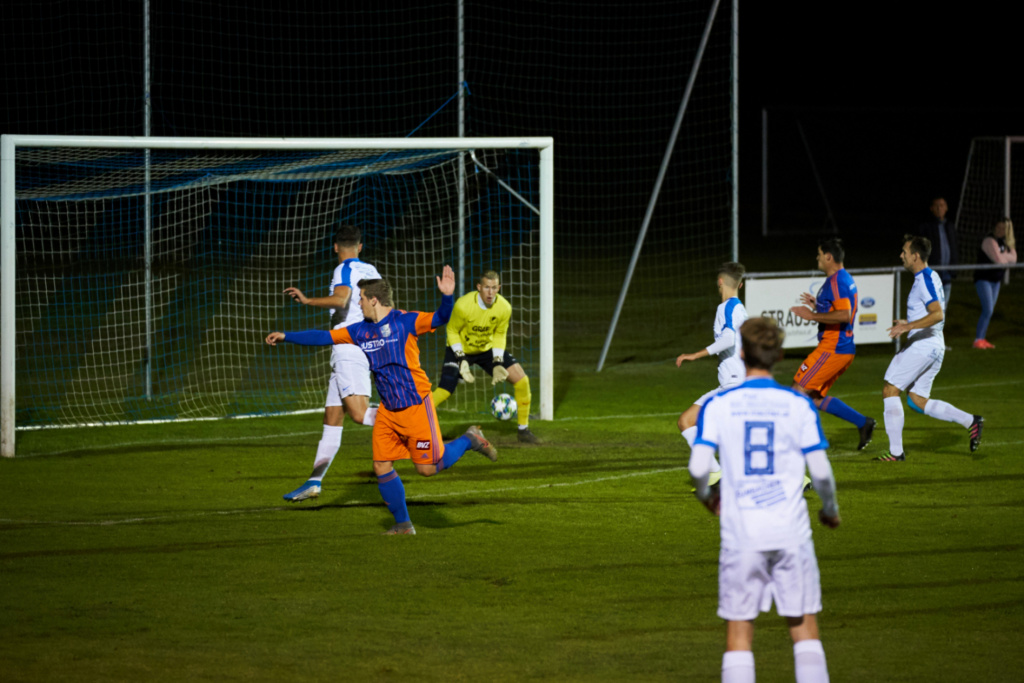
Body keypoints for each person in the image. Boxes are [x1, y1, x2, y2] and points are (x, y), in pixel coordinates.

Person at [266, 266, 498, 535]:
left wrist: (447, 296)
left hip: (415, 406)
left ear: (374, 300)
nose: (359, 304)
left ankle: (470, 439)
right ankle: (403, 525)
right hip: (388, 411)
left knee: (427, 469)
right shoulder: (360, 331)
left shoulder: (405, 322)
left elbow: (441, 317)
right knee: (381, 465)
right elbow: (324, 337)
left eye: (361, 299)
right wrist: (287, 336)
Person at [690, 317, 840, 683]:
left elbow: (698, 466)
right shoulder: (798, 404)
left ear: (741, 354)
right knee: (804, 629)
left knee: (739, 634)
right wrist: (829, 510)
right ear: (780, 356)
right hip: (791, 532)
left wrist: (708, 496)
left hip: (742, 533)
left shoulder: (720, 403)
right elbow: (821, 472)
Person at [278, 226, 382, 502]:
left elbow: (341, 298)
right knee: (332, 419)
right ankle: (314, 481)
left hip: (349, 348)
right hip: (360, 345)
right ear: (360, 246)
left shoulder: (343, 269)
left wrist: (307, 299)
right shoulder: (372, 270)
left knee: (360, 414)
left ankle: (412, 421)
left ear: (335, 247)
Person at [876, 235, 984, 462]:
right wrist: (910, 321)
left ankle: (896, 453)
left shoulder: (924, 279)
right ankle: (970, 421)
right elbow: (931, 312)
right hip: (935, 346)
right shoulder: (931, 276)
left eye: (905, 252)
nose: (901, 255)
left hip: (923, 346)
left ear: (915, 256)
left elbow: (937, 313)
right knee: (916, 399)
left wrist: (909, 326)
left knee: (890, 390)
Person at [431, 270, 541, 444]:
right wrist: (461, 359)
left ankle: (523, 430)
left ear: (499, 288)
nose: (490, 292)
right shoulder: (463, 305)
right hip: (460, 348)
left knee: (522, 380)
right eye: (487, 287)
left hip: (486, 350)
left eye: (494, 288)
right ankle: (416, 425)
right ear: (479, 287)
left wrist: (497, 362)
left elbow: (499, 335)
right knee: (445, 389)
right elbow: (451, 331)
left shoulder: (504, 307)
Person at [788, 237, 876, 451]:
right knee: (815, 398)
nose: (817, 258)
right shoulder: (842, 279)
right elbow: (839, 309)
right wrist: (818, 305)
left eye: (819, 254)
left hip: (833, 348)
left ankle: (793, 442)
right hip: (840, 347)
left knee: (797, 391)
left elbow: (844, 314)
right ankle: (863, 423)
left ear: (828, 257)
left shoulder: (837, 281)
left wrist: (812, 315)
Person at [675, 262, 749, 486]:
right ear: (740, 284)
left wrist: (695, 355)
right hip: (738, 381)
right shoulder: (740, 309)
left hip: (733, 383)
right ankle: (716, 473)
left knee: (687, 421)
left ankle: (716, 473)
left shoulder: (726, 308)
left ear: (720, 282)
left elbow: (728, 339)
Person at [972, 217, 1017, 349]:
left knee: (989, 311)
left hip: (996, 281)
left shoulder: (1006, 243)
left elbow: (1014, 260)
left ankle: (981, 338)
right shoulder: (989, 240)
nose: (1000, 230)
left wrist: (1005, 258)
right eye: (998, 227)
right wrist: (1006, 258)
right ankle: (978, 340)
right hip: (983, 279)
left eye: (1003, 228)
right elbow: (998, 260)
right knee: (988, 309)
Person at [916, 197, 958, 310]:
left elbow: (954, 247)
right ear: (931, 208)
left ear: (946, 208)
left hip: (947, 273)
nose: (939, 208)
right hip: (933, 273)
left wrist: (954, 266)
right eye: (936, 206)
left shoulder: (950, 226)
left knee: (943, 307)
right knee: (932, 307)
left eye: (942, 205)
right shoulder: (926, 227)